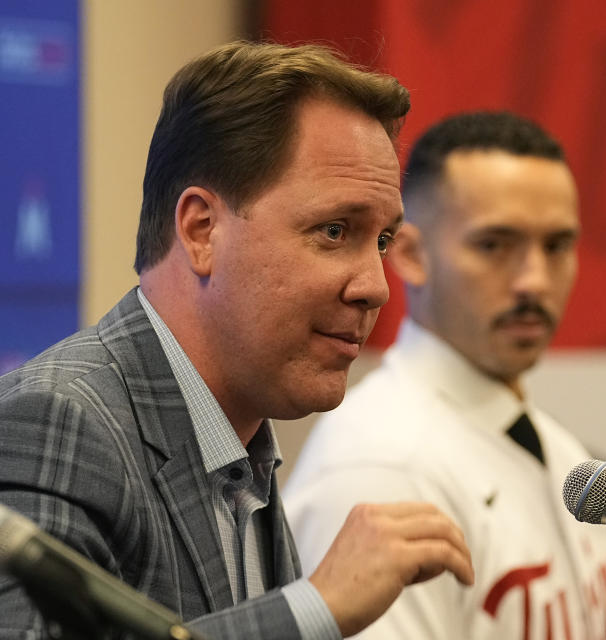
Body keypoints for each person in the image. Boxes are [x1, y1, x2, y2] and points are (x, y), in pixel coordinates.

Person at [0, 41, 475, 639]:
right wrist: (314, 608)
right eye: (334, 231)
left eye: (381, 240)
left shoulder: (242, 443)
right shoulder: (57, 418)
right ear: (201, 230)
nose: (376, 287)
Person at [283, 111, 606, 640]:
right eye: (494, 245)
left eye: (556, 246)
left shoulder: (564, 454)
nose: (534, 280)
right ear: (413, 255)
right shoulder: (382, 467)